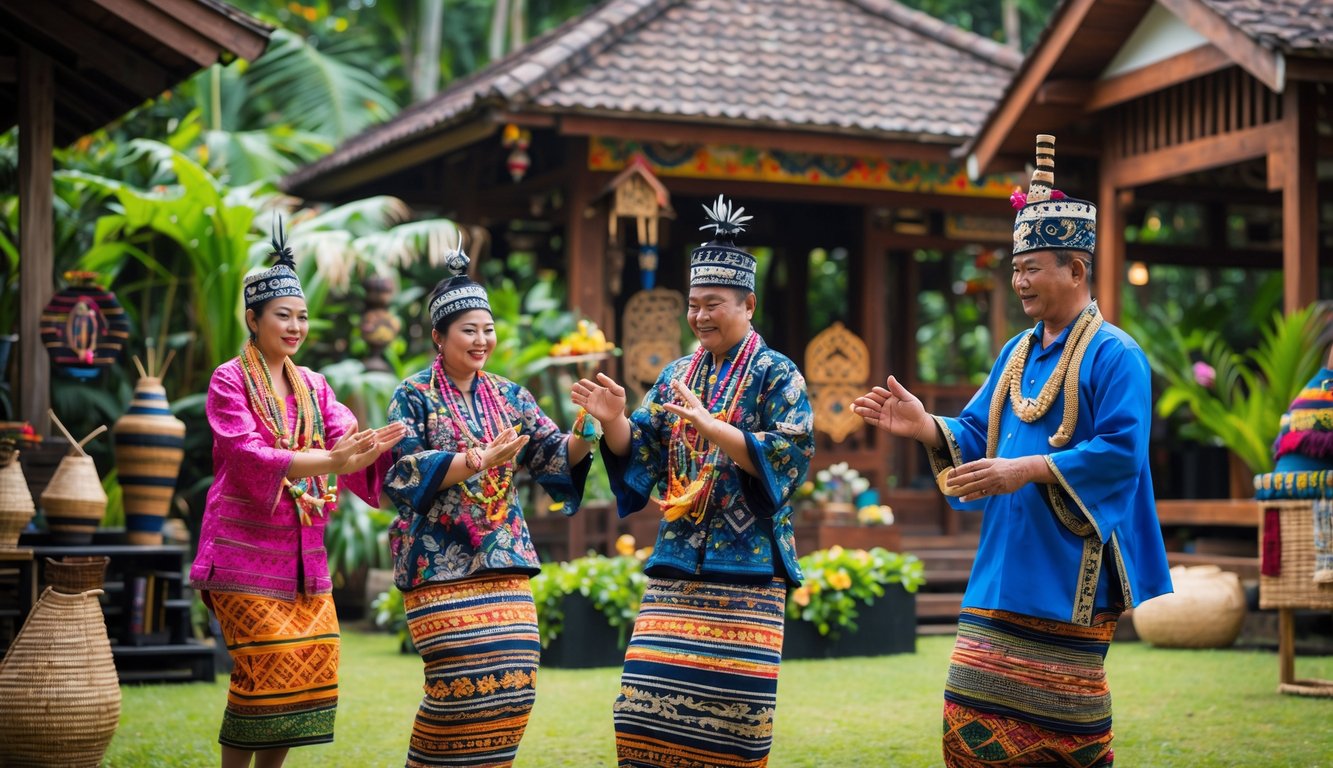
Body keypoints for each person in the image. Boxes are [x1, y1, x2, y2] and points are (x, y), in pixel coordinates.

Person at [853, 135, 1172, 768]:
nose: (1018, 280)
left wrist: (1023, 468)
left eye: (1032, 268)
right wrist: (923, 426)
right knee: (969, 719)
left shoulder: (1116, 354)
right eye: (1016, 267)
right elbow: (977, 435)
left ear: (1075, 271)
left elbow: (1120, 454)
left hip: (1070, 569)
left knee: (1066, 735)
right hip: (1002, 562)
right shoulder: (1016, 353)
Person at [572, 195, 814, 768]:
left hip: (749, 571)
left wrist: (715, 428)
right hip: (678, 562)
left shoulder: (778, 372)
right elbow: (645, 454)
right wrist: (613, 422)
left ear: (749, 304)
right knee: (642, 716)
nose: (701, 316)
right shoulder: (678, 373)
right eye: (694, 305)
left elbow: (789, 455)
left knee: (733, 728)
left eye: (714, 305)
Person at [190, 220, 407, 768]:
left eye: (302, 316)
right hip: (241, 548)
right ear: (253, 319)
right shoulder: (228, 380)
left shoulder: (314, 384)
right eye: (283, 315)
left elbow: (346, 439)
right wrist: (333, 461)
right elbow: (245, 455)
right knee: (266, 666)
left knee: (309, 666)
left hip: (301, 558)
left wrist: (388, 455)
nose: (295, 326)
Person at [383, 245, 594, 768]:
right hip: (437, 561)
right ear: (439, 336)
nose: (482, 340)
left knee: (514, 688)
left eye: (488, 329)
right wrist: (473, 461)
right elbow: (405, 470)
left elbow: (551, 456)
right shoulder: (412, 395)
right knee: (458, 688)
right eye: (468, 330)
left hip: (504, 559)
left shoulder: (510, 396)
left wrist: (589, 426)